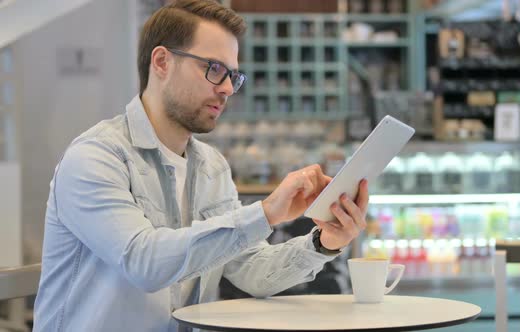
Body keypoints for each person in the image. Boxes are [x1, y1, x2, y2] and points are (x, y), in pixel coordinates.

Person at [33, 1, 369, 331]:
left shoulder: (211, 166)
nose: (226, 88)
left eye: (233, 76)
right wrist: (265, 213)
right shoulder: (96, 157)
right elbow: (144, 263)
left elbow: (251, 271)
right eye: (213, 68)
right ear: (162, 61)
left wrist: (324, 242)